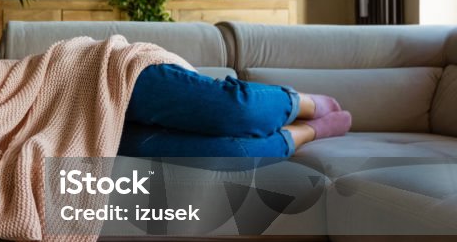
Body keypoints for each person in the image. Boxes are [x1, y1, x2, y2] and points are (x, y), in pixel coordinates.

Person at [119, 63, 351, 158]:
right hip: (91, 124)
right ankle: (305, 132)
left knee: (235, 109)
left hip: (109, 75)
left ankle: (300, 103)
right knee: (239, 153)